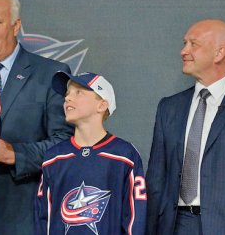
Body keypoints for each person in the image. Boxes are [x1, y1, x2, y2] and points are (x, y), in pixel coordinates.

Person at [0, 0, 73, 235]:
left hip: (23, 219)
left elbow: (66, 145)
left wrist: (12, 154)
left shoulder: (51, 75)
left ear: (16, 26)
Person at [146, 19, 225, 234]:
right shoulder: (169, 107)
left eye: (193, 44)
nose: (183, 51)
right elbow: (156, 180)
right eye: (184, 43)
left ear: (219, 53)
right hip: (176, 225)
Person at [35, 71, 146, 235]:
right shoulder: (54, 157)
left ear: (101, 105)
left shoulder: (124, 155)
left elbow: (135, 218)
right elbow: (43, 216)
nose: (67, 98)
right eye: (67, 93)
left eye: (78, 92)